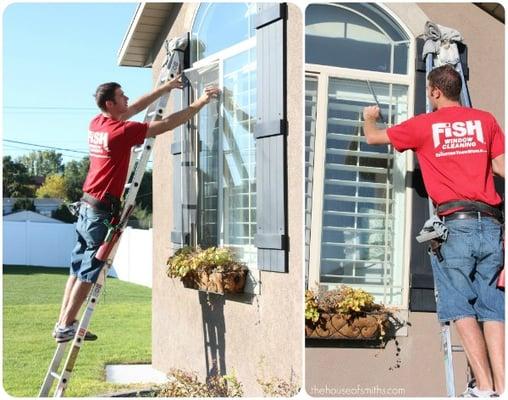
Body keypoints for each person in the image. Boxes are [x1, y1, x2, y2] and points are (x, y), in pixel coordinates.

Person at [363, 64, 504, 397]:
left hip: (456, 226)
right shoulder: (485, 121)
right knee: (493, 308)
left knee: (458, 305)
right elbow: (502, 168)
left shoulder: (425, 125)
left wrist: (371, 115)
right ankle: (503, 386)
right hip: (492, 224)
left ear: (435, 92)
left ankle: (483, 387)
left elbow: (373, 137)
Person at [53, 75, 220, 343]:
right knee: (88, 272)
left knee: (76, 269)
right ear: (110, 103)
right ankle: (65, 325)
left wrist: (165, 88)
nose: (127, 99)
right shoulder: (120, 132)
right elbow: (165, 124)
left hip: (86, 206)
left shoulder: (97, 123)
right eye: (122, 96)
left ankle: (63, 322)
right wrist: (200, 102)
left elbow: (133, 109)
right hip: (100, 211)